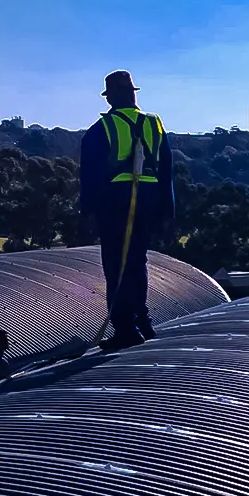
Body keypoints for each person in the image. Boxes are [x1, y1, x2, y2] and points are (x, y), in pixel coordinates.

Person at [80, 70, 175, 351]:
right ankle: (142, 321)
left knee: (116, 264)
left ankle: (125, 327)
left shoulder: (103, 129)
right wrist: (168, 213)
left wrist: (87, 214)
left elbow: (90, 176)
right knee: (136, 260)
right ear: (133, 94)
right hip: (149, 200)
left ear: (111, 98)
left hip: (115, 202)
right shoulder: (155, 125)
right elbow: (167, 171)